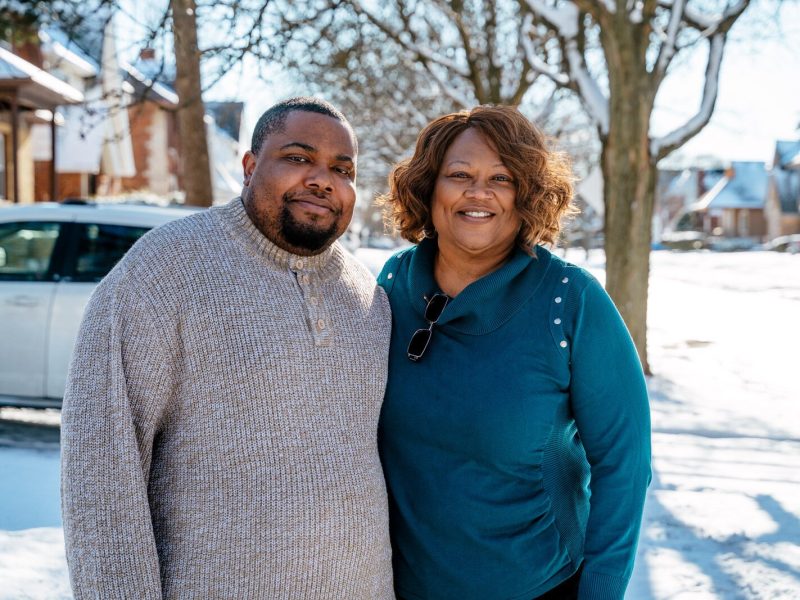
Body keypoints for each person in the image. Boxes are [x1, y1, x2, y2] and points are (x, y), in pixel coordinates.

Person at [60, 97, 394, 599]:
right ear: (250, 166)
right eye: (299, 158)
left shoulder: (368, 298)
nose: (322, 180)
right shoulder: (164, 268)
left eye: (341, 169)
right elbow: (102, 466)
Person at [376, 105, 651, 600]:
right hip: (399, 586)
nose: (478, 192)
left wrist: (602, 590)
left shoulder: (571, 300)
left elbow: (624, 464)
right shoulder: (391, 286)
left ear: (527, 195)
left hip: (539, 587)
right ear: (428, 187)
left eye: (501, 178)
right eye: (459, 174)